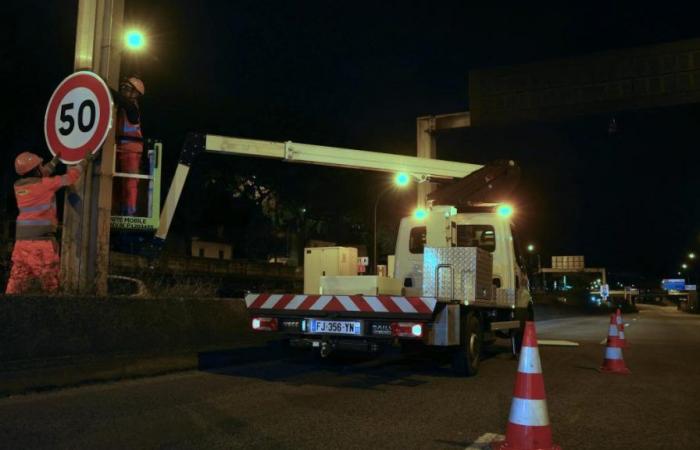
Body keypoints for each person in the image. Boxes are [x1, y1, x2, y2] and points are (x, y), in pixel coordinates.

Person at [5, 151, 89, 294]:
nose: (43, 168)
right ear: (36, 170)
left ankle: (8, 311)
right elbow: (70, 177)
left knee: (17, 283)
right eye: (40, 166)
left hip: (21, 244)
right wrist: (84, 162)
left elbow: (40, 175)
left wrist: (54, 162)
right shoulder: (47, 185)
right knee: (49, 285)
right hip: (42, 244)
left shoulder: (18, 187)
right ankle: (51, 313)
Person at [112, 76, 145, 216]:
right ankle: (113, 210)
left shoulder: (132, 108)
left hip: (131, 148)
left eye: (127, 88)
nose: (123, 90)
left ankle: (129, 214)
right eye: (122, 87)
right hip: (116, 147)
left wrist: (103, 85)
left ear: (135, 93)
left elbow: (123, 101)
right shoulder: (118, 107)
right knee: (114, 182)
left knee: (129, 183)